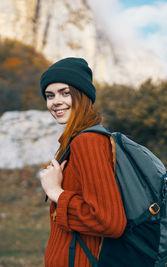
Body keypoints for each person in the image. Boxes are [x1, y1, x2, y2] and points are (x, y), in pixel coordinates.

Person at [39, 57, 127, 267]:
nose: (55, 102)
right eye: (49, 95)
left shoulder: (88, 141)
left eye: (65, 92)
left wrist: (56, 192)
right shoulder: (74, 141)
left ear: (83, 95)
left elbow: (110, 222)